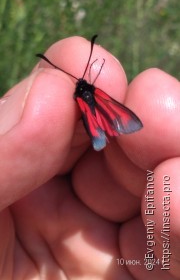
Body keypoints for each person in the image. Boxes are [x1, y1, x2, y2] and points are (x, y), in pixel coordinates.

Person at [0, 36, 179, 279]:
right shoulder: (88, 90)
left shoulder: (83, 91)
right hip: (97, 119)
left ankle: (101, 131)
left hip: (95, 122)